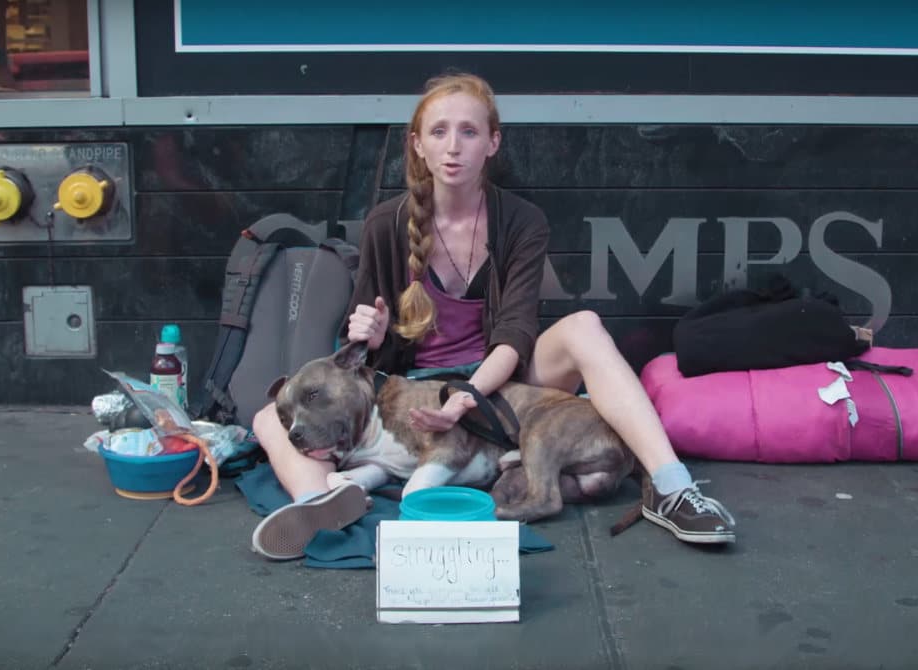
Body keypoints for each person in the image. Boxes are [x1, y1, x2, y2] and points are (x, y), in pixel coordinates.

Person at [250, 71, 735, 560]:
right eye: (438, 132)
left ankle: (673, 488)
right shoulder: (386, 224)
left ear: (492, 142)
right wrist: (369, 334)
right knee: (269, 417)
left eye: (469, 131)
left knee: (584, 326)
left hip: (503, 385)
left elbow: (515, 334)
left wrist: (467, 399)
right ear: (417, 145)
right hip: (416, 392)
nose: (453, 147)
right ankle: (320, 503)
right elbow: (367, 348)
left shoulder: (523, 221)